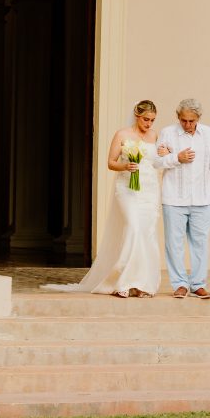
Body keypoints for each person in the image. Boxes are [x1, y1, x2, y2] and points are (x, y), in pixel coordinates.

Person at [40, 100, 162, 297]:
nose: (149, 124)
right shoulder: (122, 134)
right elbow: (111, 163)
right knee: (133, 227)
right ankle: (121, 281)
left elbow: (155, 162)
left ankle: (141, 283)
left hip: (149, 189)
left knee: (146, 233)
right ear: (137, 116)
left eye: (152, 120)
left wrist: (163, 155)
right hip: (128, 188)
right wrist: (126, 166)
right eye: (146, 119)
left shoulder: (154, 136)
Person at [157, 98, 210, 299]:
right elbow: (156, 161)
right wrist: (176, 158)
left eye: (192, 121)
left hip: (201, 198)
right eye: (184, 120)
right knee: (174, 243)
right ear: (178, 117)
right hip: (173, 198)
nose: (187, 125)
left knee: (200, 243)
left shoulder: (209, 134)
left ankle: (198, 283)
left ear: (198, 119)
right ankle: (179, 284)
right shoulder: (167, 133)